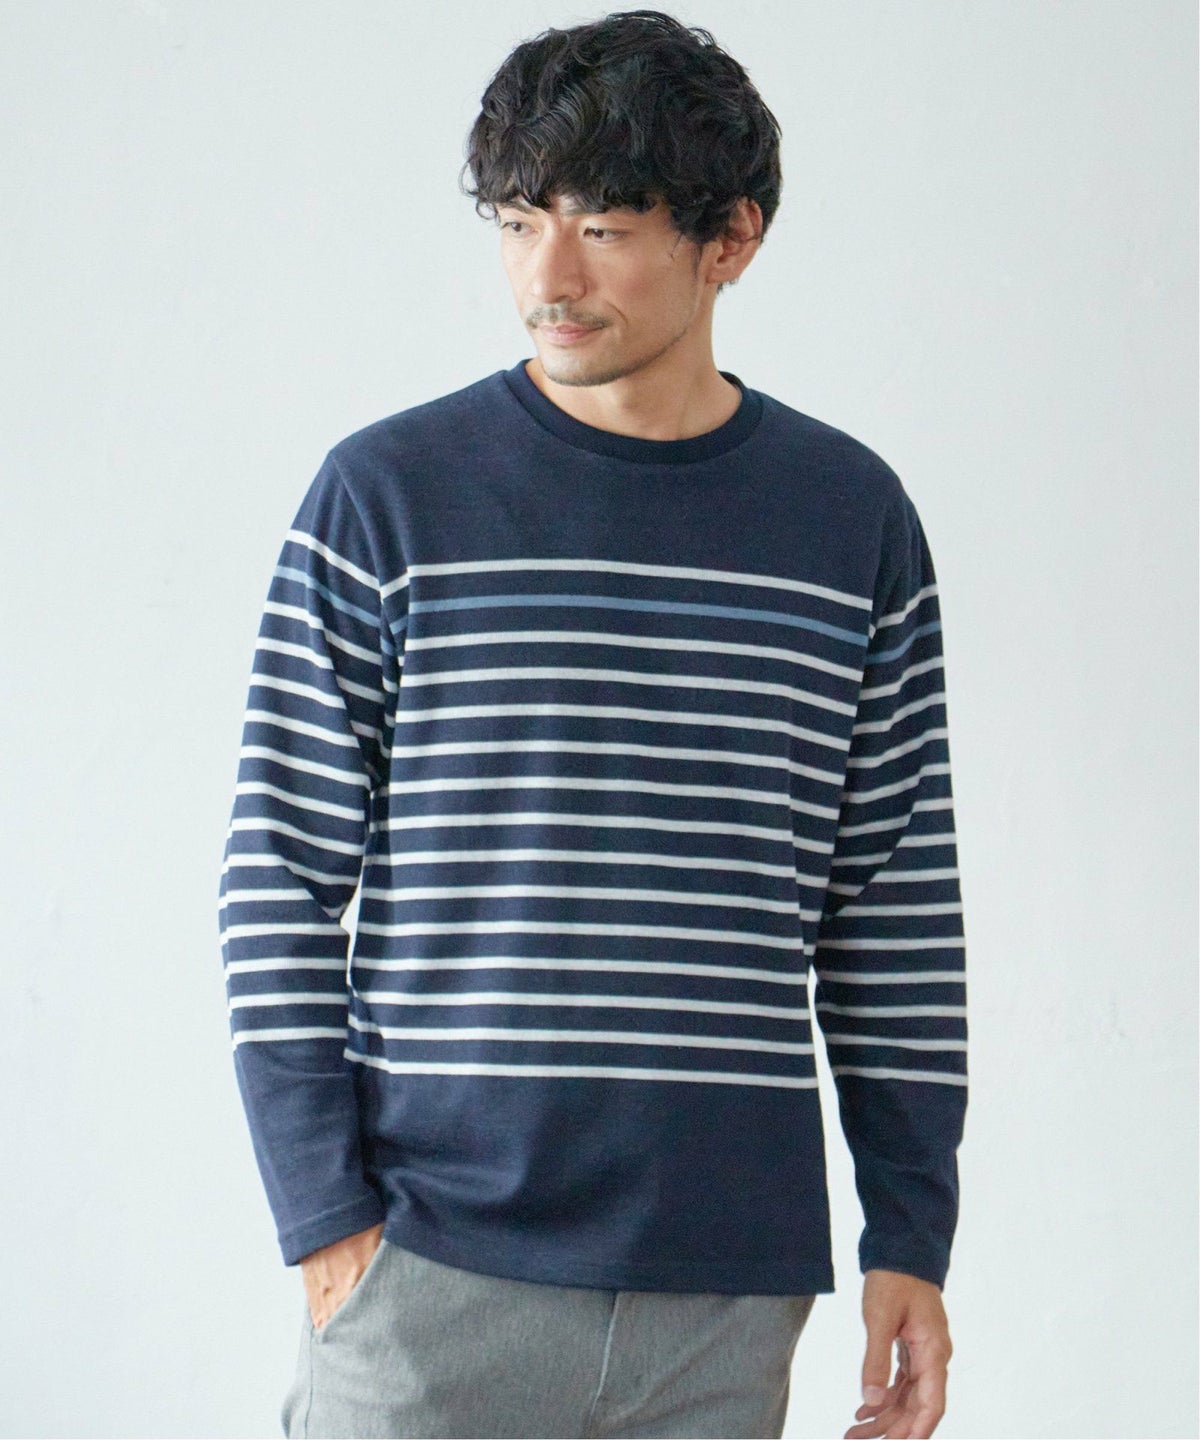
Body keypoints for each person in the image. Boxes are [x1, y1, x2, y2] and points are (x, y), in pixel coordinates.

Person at [216, 10, 967, 1438]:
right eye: (518, 222)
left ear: (731, 238)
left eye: (605, 229)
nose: (545, 278)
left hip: (726, 1292)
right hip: (430, 1272)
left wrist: (910, 1237)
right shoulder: (389, 498)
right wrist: (326, 1224)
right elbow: (278, 876)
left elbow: (890, 909)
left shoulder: (849, 522)